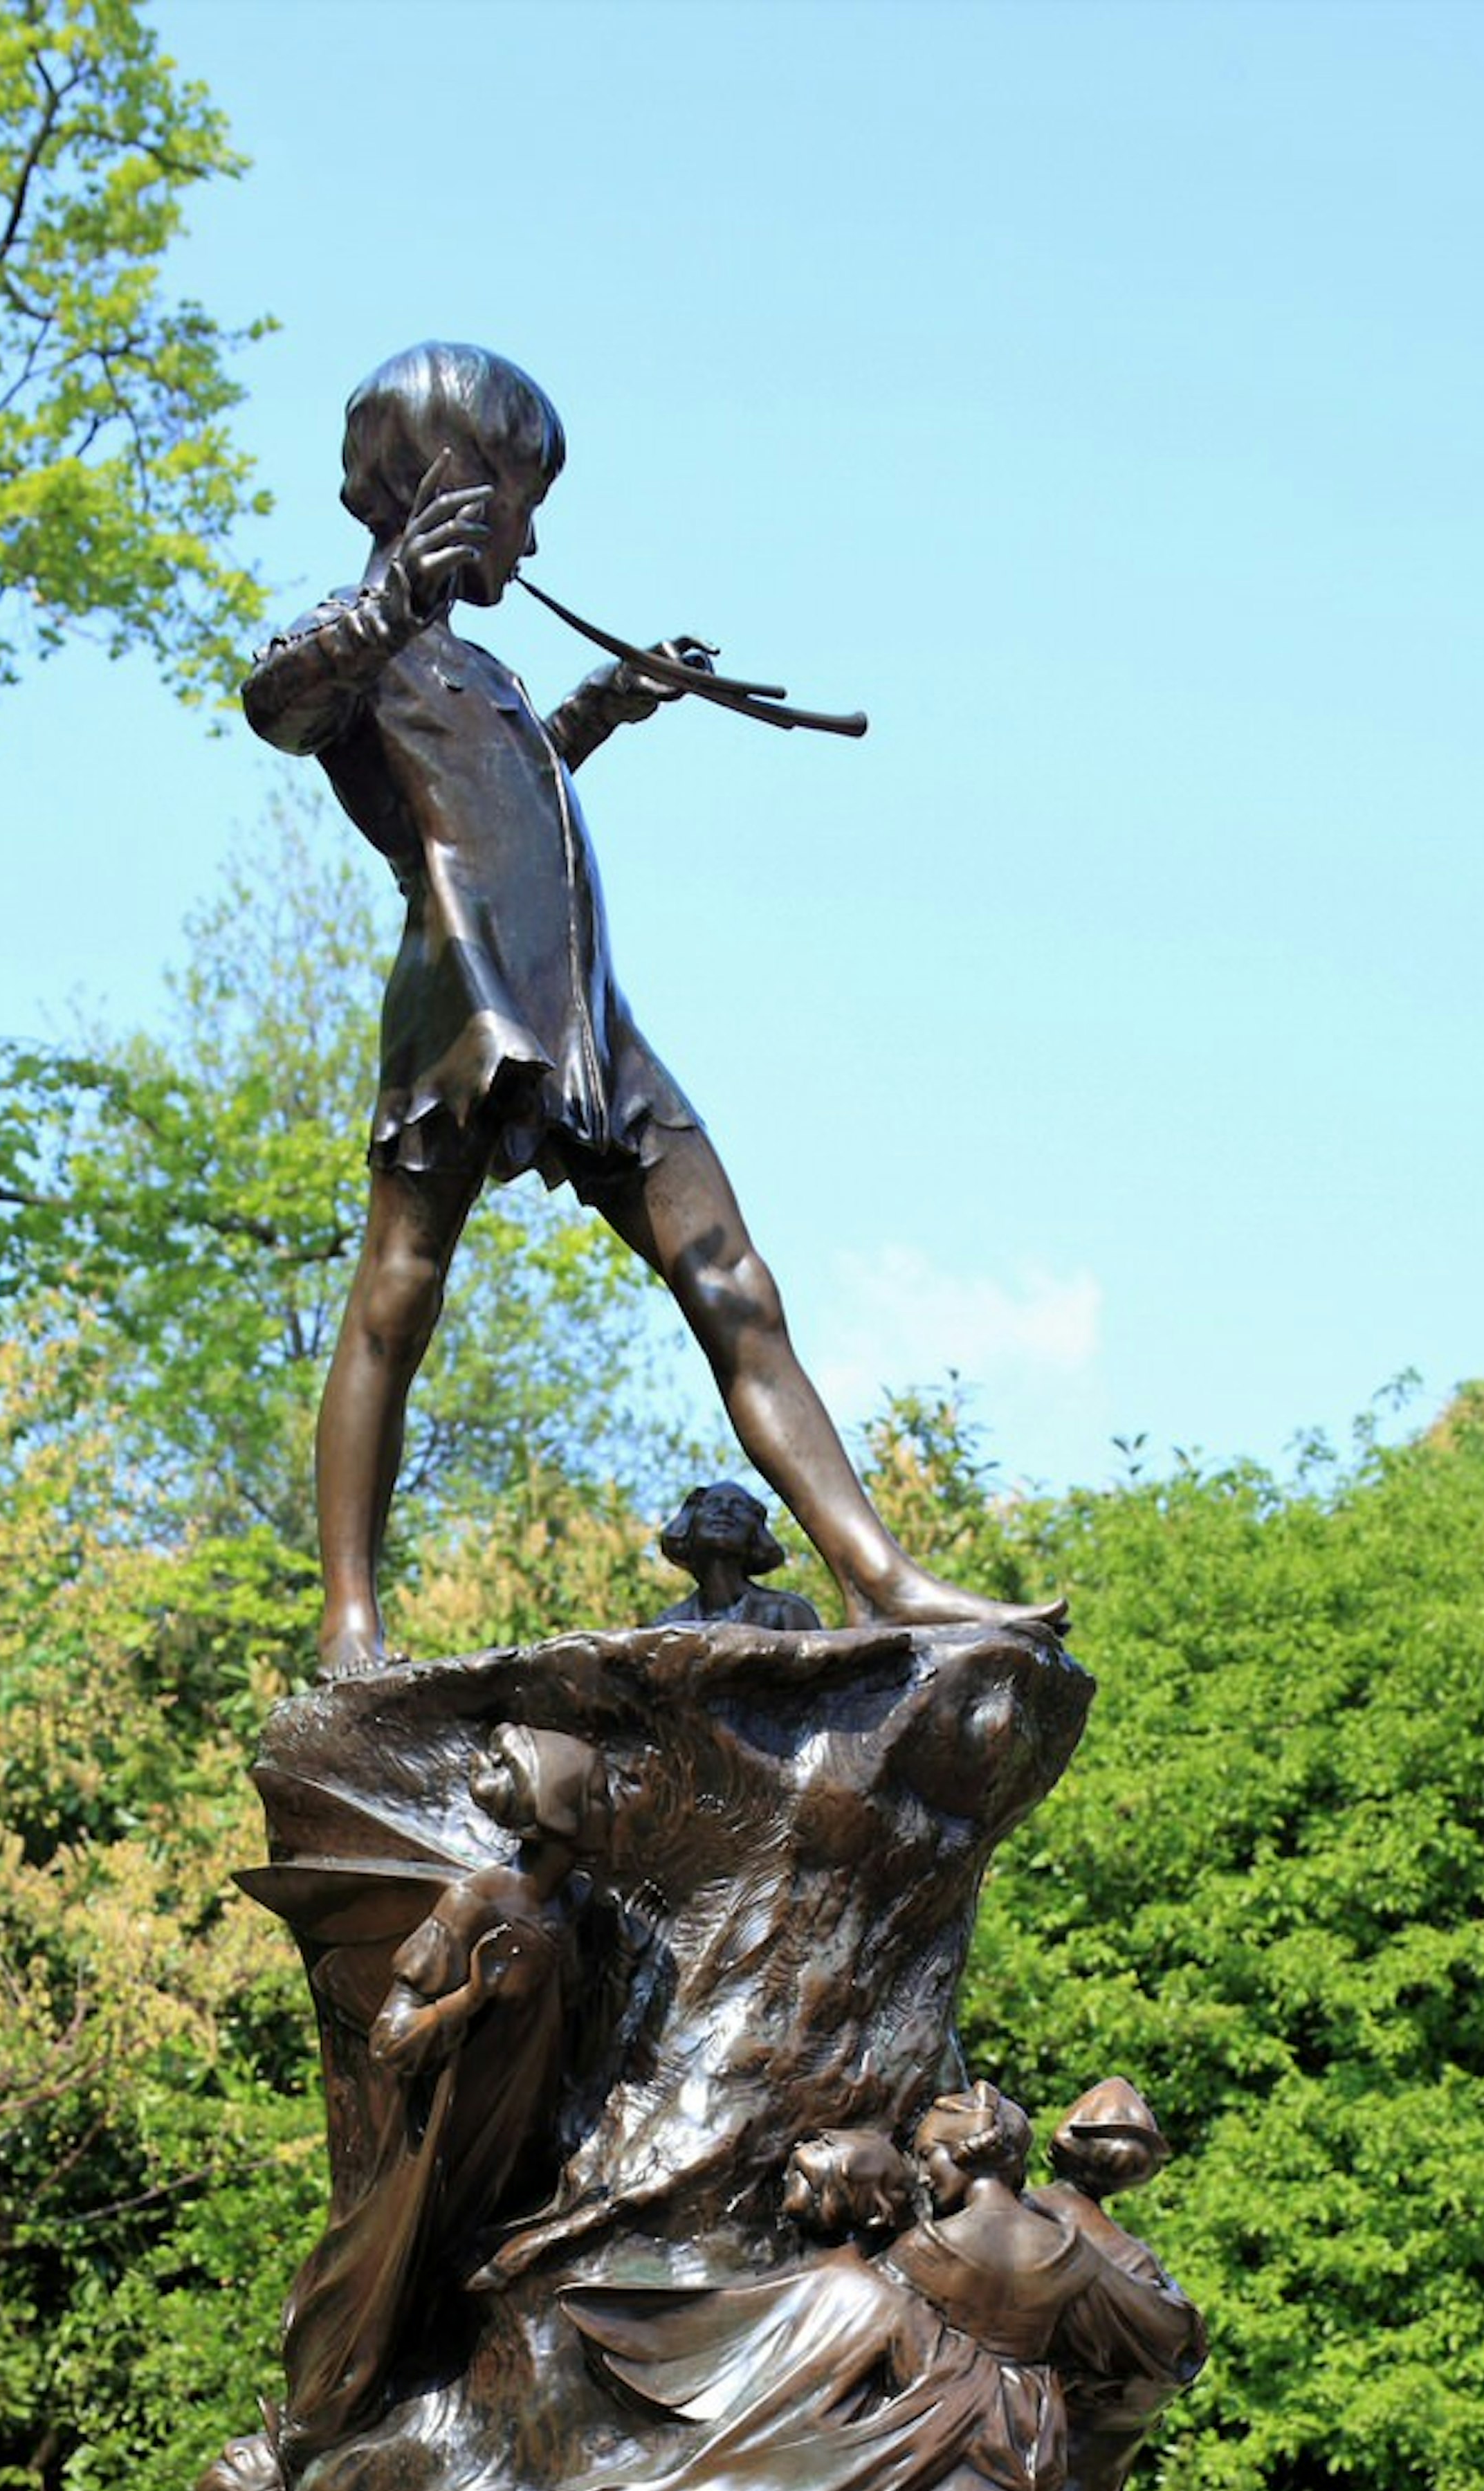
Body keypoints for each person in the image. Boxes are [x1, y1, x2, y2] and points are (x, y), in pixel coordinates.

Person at [242, 340, 1034, 1675]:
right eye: (517, 493)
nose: (534, 530)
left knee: (733, 1277)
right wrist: (389, 599)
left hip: (590, 1022)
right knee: (398, 1290)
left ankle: (879, 1572)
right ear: (442, 484)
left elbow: (521, 777)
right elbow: (278, 701)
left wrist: (610, 699)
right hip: (470, 1000)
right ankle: (348, 1621)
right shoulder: (364, 642)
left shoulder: (480, 671)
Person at [278, 1718, 599, 2452]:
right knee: (390, 2283)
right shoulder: (472, 1904)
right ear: (565, 1813)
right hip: (452, 2138)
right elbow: (393, 2040)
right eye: (605, 1794)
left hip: (525, 2131)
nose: (621, 1807)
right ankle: (325, 2431)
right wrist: (473, 1996)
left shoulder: (575, 1906)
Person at [651, 1482, 821, 1632]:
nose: (724, 1509)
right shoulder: (668, 1625)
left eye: (739, 1505)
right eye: (712, 1503)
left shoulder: (787, 1611)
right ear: (690, 1522)